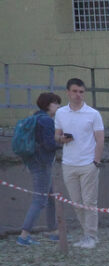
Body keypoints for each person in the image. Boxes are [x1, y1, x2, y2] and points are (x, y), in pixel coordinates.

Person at [54, 78, 104, 249]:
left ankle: (92, 236)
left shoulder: (93, 114)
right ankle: (86, 234)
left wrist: (96, 161)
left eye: (81, 92)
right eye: (75, 91)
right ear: (68, 92)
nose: (78, 95)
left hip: (88, 163)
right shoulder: (61, 113)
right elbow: (56, 135)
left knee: (89, 201)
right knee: (76, 202)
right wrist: (61, 138)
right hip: (69, 163)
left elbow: (100, 139)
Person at [16, 92, 60, 246]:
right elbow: (49, 145)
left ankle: (54, 231)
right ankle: (24, 236)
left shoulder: (35, 117)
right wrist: (63, 142)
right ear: (48, 104)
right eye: (56, 103)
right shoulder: (47, 121)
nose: (58, 106)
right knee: (40, 200)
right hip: (42, 163)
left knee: (50, 197)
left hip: (33, 161)